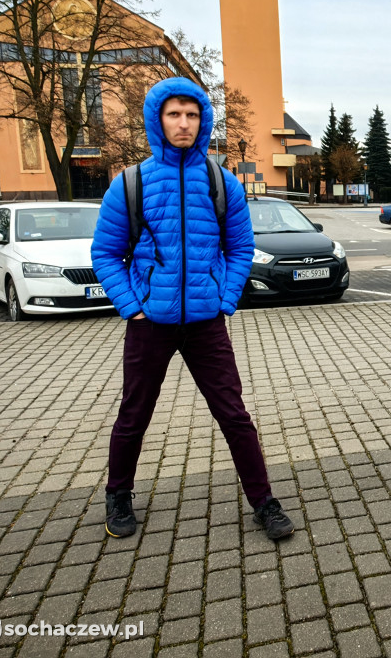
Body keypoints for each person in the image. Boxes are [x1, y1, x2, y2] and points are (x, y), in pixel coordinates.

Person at [91, 77, 293, 541]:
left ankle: (263, 501)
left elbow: (241, 248)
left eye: (192, 114)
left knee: (234, 415)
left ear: (203, 122)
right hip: (150, 324)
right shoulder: (131, 183)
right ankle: (118, 494)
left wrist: (224, 300)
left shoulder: (222, 183)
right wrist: (133, 308)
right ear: (157, 120)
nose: (183, 123)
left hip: (206, 324)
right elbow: (105, 253)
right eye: (174, 114)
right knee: (133, 414)